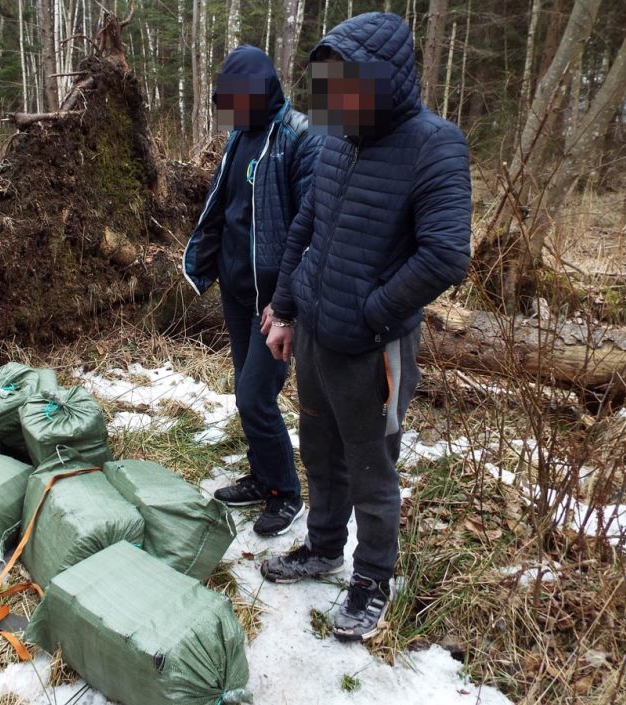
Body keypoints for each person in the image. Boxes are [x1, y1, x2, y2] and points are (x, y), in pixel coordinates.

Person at [260, 12, 472, 641]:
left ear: (384, 81)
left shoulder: (435, 143)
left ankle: (373, 578)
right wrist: (287, 307)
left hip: (375, 347)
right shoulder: (333, 136)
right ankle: (323, 546)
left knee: (372, 464)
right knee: (321, 451)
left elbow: (444, 255)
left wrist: (371, 313)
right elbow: (308, 225)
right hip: (317, 336)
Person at [183, 45, 323, 536]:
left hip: (274, 301)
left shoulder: (301, 137)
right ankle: (262, 476)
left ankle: (286, 493)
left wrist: (286, 304)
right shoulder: (240, 137)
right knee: (247, 394)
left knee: (256, 395)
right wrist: (205, 263)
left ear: (263, 93)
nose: (234, 111)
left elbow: (312, 231)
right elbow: (224, 205)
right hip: (237, 290)